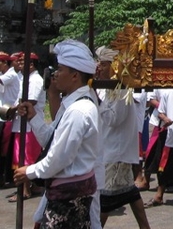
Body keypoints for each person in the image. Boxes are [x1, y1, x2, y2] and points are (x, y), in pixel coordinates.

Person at [14, 40, 99, 228]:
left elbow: (59, 158)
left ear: (75, 75)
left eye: (60, 70)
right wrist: (34, 117)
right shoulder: (69, 105)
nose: (55, 75)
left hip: (70, 198)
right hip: (61, 191)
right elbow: (50, 140)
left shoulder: (79, 110)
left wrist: (29, 171)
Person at [95, 46, 151, 229]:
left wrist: (96, 101)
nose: (99, 68)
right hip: (112, 150)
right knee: (131, 194)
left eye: (103, 65)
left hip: (115, 153)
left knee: (105, 200)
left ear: (113, 67)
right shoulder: (110, 88)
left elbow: (113, 119)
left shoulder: (120, 90)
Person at [10, 52, 45, 201]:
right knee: (22, 156)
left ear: (31, 64)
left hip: (30, 124)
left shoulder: (36, 79)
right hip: (21, 123)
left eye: (22, 61)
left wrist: (14, 108)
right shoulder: (24, 77)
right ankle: (31, 186)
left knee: (25, 157)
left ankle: (24, 190)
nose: (19, 64)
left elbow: (32, 100)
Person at [0, 52, 20, 187]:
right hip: (2, 115)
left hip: (6, 116)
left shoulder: (11, 75)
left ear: (4, 63)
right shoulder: (4, 75)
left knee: (4, 149)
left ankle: (4, 177)